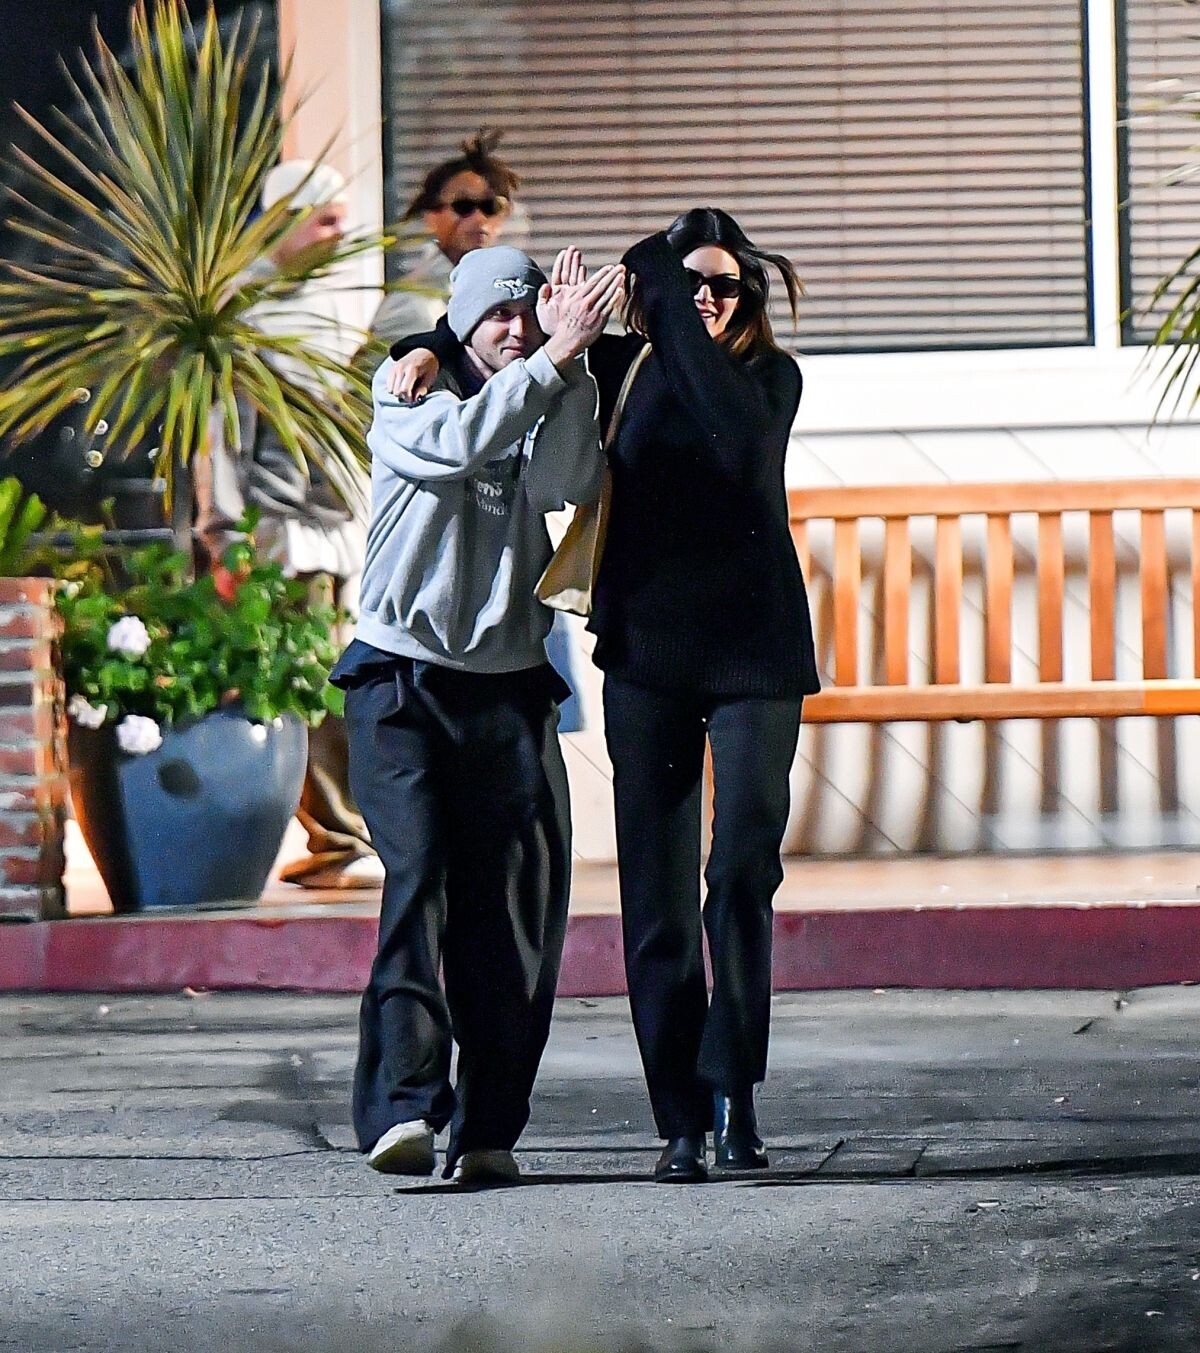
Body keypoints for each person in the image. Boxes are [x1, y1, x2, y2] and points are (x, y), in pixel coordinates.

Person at [388, 207, 820, 1184]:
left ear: (747, 296)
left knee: (740, 868)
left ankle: (733, 1088)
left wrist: (659, 285)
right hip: (646, 656)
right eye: (688, 283)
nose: (705, 299)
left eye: (723, 285)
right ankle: (681, 1118)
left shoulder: (767, 379)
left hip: (756, 657)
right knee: (655, 895)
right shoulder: (621, 365)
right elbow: (511, 345)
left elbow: (732, 441)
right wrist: (424, 347)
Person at [332, 246, 625, 1186]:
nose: (515, 328)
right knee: (419, 874)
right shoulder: (408, 385)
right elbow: (457, 446)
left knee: (513, 913)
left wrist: (573, 369)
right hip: (401, 680)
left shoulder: (543, 384)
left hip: (507, 686)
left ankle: (489, 1125)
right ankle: (402, 1107)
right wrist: (552, 359)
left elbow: (565, 485)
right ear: (460, 320)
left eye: (529, 313)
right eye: (498, 313)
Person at [196, 158, 383, 890]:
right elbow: (220, 436)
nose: (339, 234)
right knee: (310, 681)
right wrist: (227, 535)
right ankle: (339, 836)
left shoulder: (335, 303)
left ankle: (345, 836)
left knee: (332, 680)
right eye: (325, 220)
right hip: (282, 529)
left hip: (338, 525)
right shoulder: (245, 314)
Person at [366, 129, 521, 351]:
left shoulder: (504, 291)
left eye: (491, 207)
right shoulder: (412, 303)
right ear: (431, 217)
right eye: (463, 206)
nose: (479, 218)